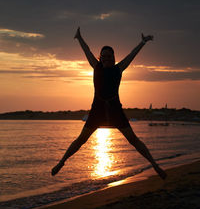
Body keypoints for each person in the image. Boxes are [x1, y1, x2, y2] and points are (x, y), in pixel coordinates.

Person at [51, 27, 167, 179]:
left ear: (113, 57)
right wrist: (79, 38)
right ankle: (62, 162)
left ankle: (155, 165)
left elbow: (132, 55)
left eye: (109, 56)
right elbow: (87, 51)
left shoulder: (119, 68)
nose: (106, 58)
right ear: (100, 57)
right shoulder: (96, 66)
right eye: (103, 56)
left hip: (115, 110)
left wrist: (142, 42)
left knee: (133, 140)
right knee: (81, 140)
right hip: (97, 110)